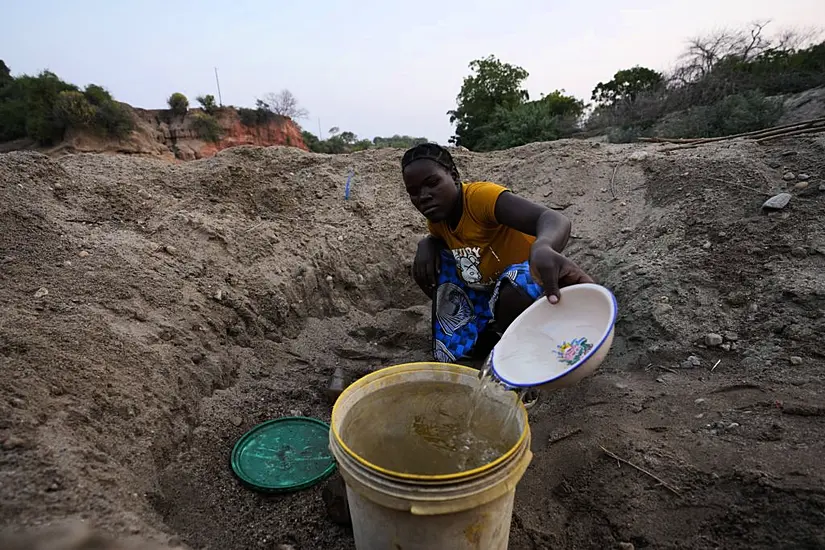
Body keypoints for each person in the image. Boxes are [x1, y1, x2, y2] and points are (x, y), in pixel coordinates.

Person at [402, 143, 593, 364]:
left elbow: (553, 219)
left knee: (512, 290)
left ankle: (527, 350)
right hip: (489, 290)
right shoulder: (438, 220)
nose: (424, 196)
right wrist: (427, 243)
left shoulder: (480, 198)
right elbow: (441, 247)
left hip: (533, 283)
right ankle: (486, 336)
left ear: (454, 176)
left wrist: (543, 247)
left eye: (432, 183)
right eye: (413, 192)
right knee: (428, 266)